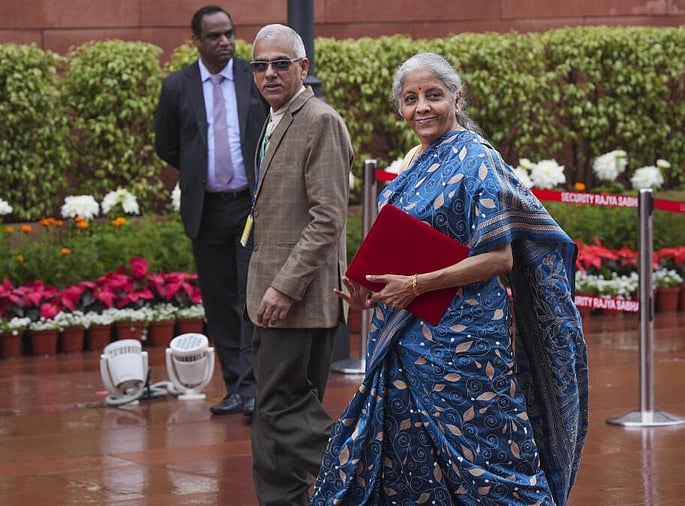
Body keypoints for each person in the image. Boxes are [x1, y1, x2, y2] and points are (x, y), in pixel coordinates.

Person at [312, 53, 589, 505]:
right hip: (406, 334)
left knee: (489, 459)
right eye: (410, 99)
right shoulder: (416, 159)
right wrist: (374, 293)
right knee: (408, 456)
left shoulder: (477, 159)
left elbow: (498, 258)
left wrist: (416, 285)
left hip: (464, 341)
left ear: (457, 99)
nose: (422, 107)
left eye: (433, 96)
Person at [245, 24, 353, 506]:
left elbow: (328, 218)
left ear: (303, 68)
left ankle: (363, 471)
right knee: (272, 413)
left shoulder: (320, 120)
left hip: (297, 299)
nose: (269, 73)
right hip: (269, 292)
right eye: (260, 65)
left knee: (281, 407)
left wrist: (285, 286)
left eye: (280, 64)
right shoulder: (276, 117)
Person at [154, 5, 265, 417]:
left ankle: (254, 387)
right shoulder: (176, 86)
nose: (225, 42)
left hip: (251, 207)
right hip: (207, 209)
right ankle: (236, 387)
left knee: (250, 296)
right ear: (196, 41)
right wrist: (199, 167)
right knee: (219, 301)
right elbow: (166, 144)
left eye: (229, 33)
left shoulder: (254, 76)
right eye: (215, 36)